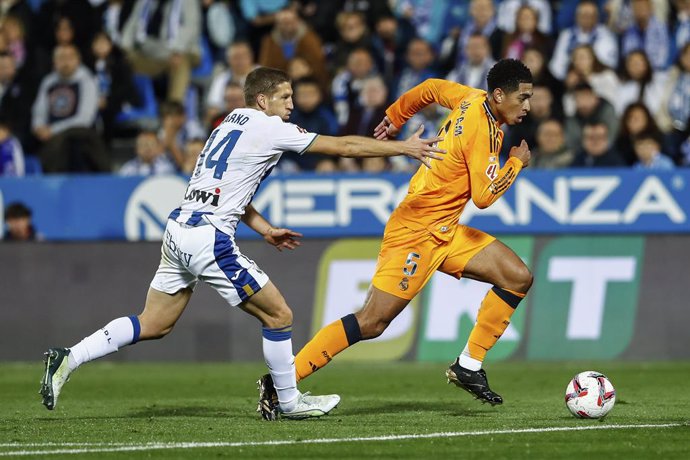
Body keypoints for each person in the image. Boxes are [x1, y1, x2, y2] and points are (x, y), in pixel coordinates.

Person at [39, 66, 444, 421]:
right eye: (284, 97)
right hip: (207, 238)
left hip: (179, 227)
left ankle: (68, 358)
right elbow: (342, 146)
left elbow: (228, 187)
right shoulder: (271, 127)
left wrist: (264, 228)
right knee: (279, 315)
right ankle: (288, 401)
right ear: (263, 99)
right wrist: (403, 147)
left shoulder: (228, 122)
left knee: (154, 323)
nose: (291, 105)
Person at [257, 59, 534, 419]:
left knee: (517, 277)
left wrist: (396, 115)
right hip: (416, 232)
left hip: (445, 229)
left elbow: (432, 87)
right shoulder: (480, 129)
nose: (528, 106)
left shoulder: (470, 97)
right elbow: (483, 196)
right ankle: (282, 383)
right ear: (499, 95)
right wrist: (515, 164)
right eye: (523, 97)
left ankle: (468, 365)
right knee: (372, 321)